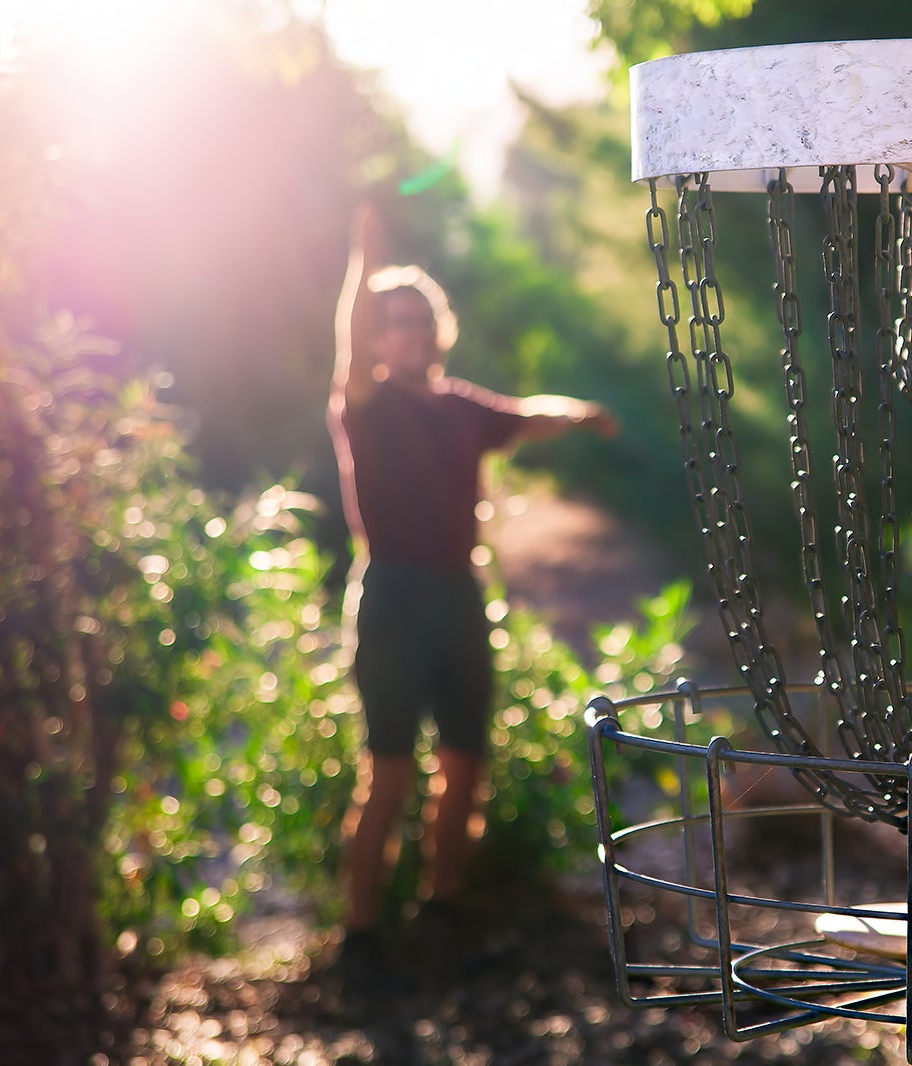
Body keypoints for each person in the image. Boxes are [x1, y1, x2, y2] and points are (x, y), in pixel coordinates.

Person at [327, 204, 616, 994]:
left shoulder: (461, 409)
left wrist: (584, 415)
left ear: (438, 330)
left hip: (459, 600)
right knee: (387, 772)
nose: (409, 333)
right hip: (391, 599)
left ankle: (443, 906)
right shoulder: (365, 403)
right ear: (378, 338)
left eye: (420, 320)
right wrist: (366, 257)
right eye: (394, 323)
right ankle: (361, 933)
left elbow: (527, 416)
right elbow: (348, 340)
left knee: (464, 764)